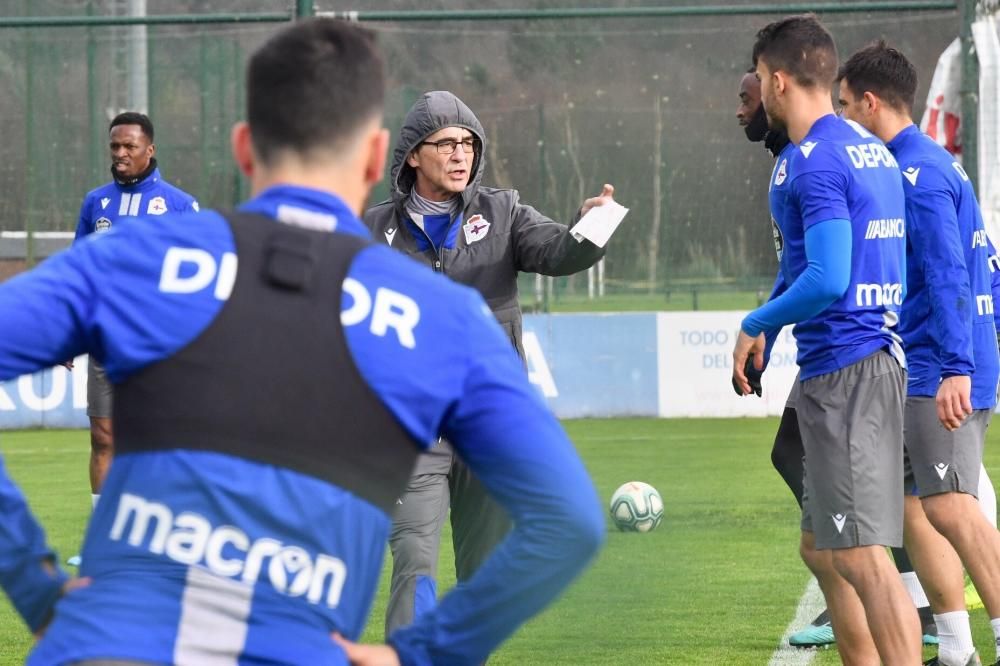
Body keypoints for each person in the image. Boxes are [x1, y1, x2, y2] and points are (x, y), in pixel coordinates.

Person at [0, 19, 604, 664]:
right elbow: (570, 520)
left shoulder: (133, 260)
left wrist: (35, 585)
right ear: (376, 157)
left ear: (244, 148)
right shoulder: (442, 317)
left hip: (102, 647)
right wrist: (425, 651)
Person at [364, 90, 616, 638]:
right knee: (414, 555)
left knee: (483, 574)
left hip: (488, 425)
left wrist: (589, 226)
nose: (461, 154)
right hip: (414, 427)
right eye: (446, 143)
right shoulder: (371, 231)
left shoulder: (503, 212)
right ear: (413, 154)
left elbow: (559, 250)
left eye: (469, 143)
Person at [732, 15, 921, 663]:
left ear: (780, 81)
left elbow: (828, 277)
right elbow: (806, 267)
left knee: (862, 555)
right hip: (864, 361)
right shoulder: (867, 150)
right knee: (823, 547)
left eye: (761, 77)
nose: (760, 89)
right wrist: (772, 321)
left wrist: (754, 323)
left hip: (848, 370)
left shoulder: (814, 164)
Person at [838, 41, 1000, 666]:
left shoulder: (917, 173)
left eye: (844, 105)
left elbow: (950, 271)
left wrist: (959, 366)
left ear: (870, 103)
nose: (841, 116)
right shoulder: (922, 164)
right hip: (925, 362)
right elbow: (988, 263)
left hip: (940, 365)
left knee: (953, 506)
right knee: (915, 506)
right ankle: (956, 650)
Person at [72, 111, 198, 515]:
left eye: (130, 146)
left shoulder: (180, 206)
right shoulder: (96, 202)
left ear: (150, 149)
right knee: (103, 437)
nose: (120, 153)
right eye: (115, 146)